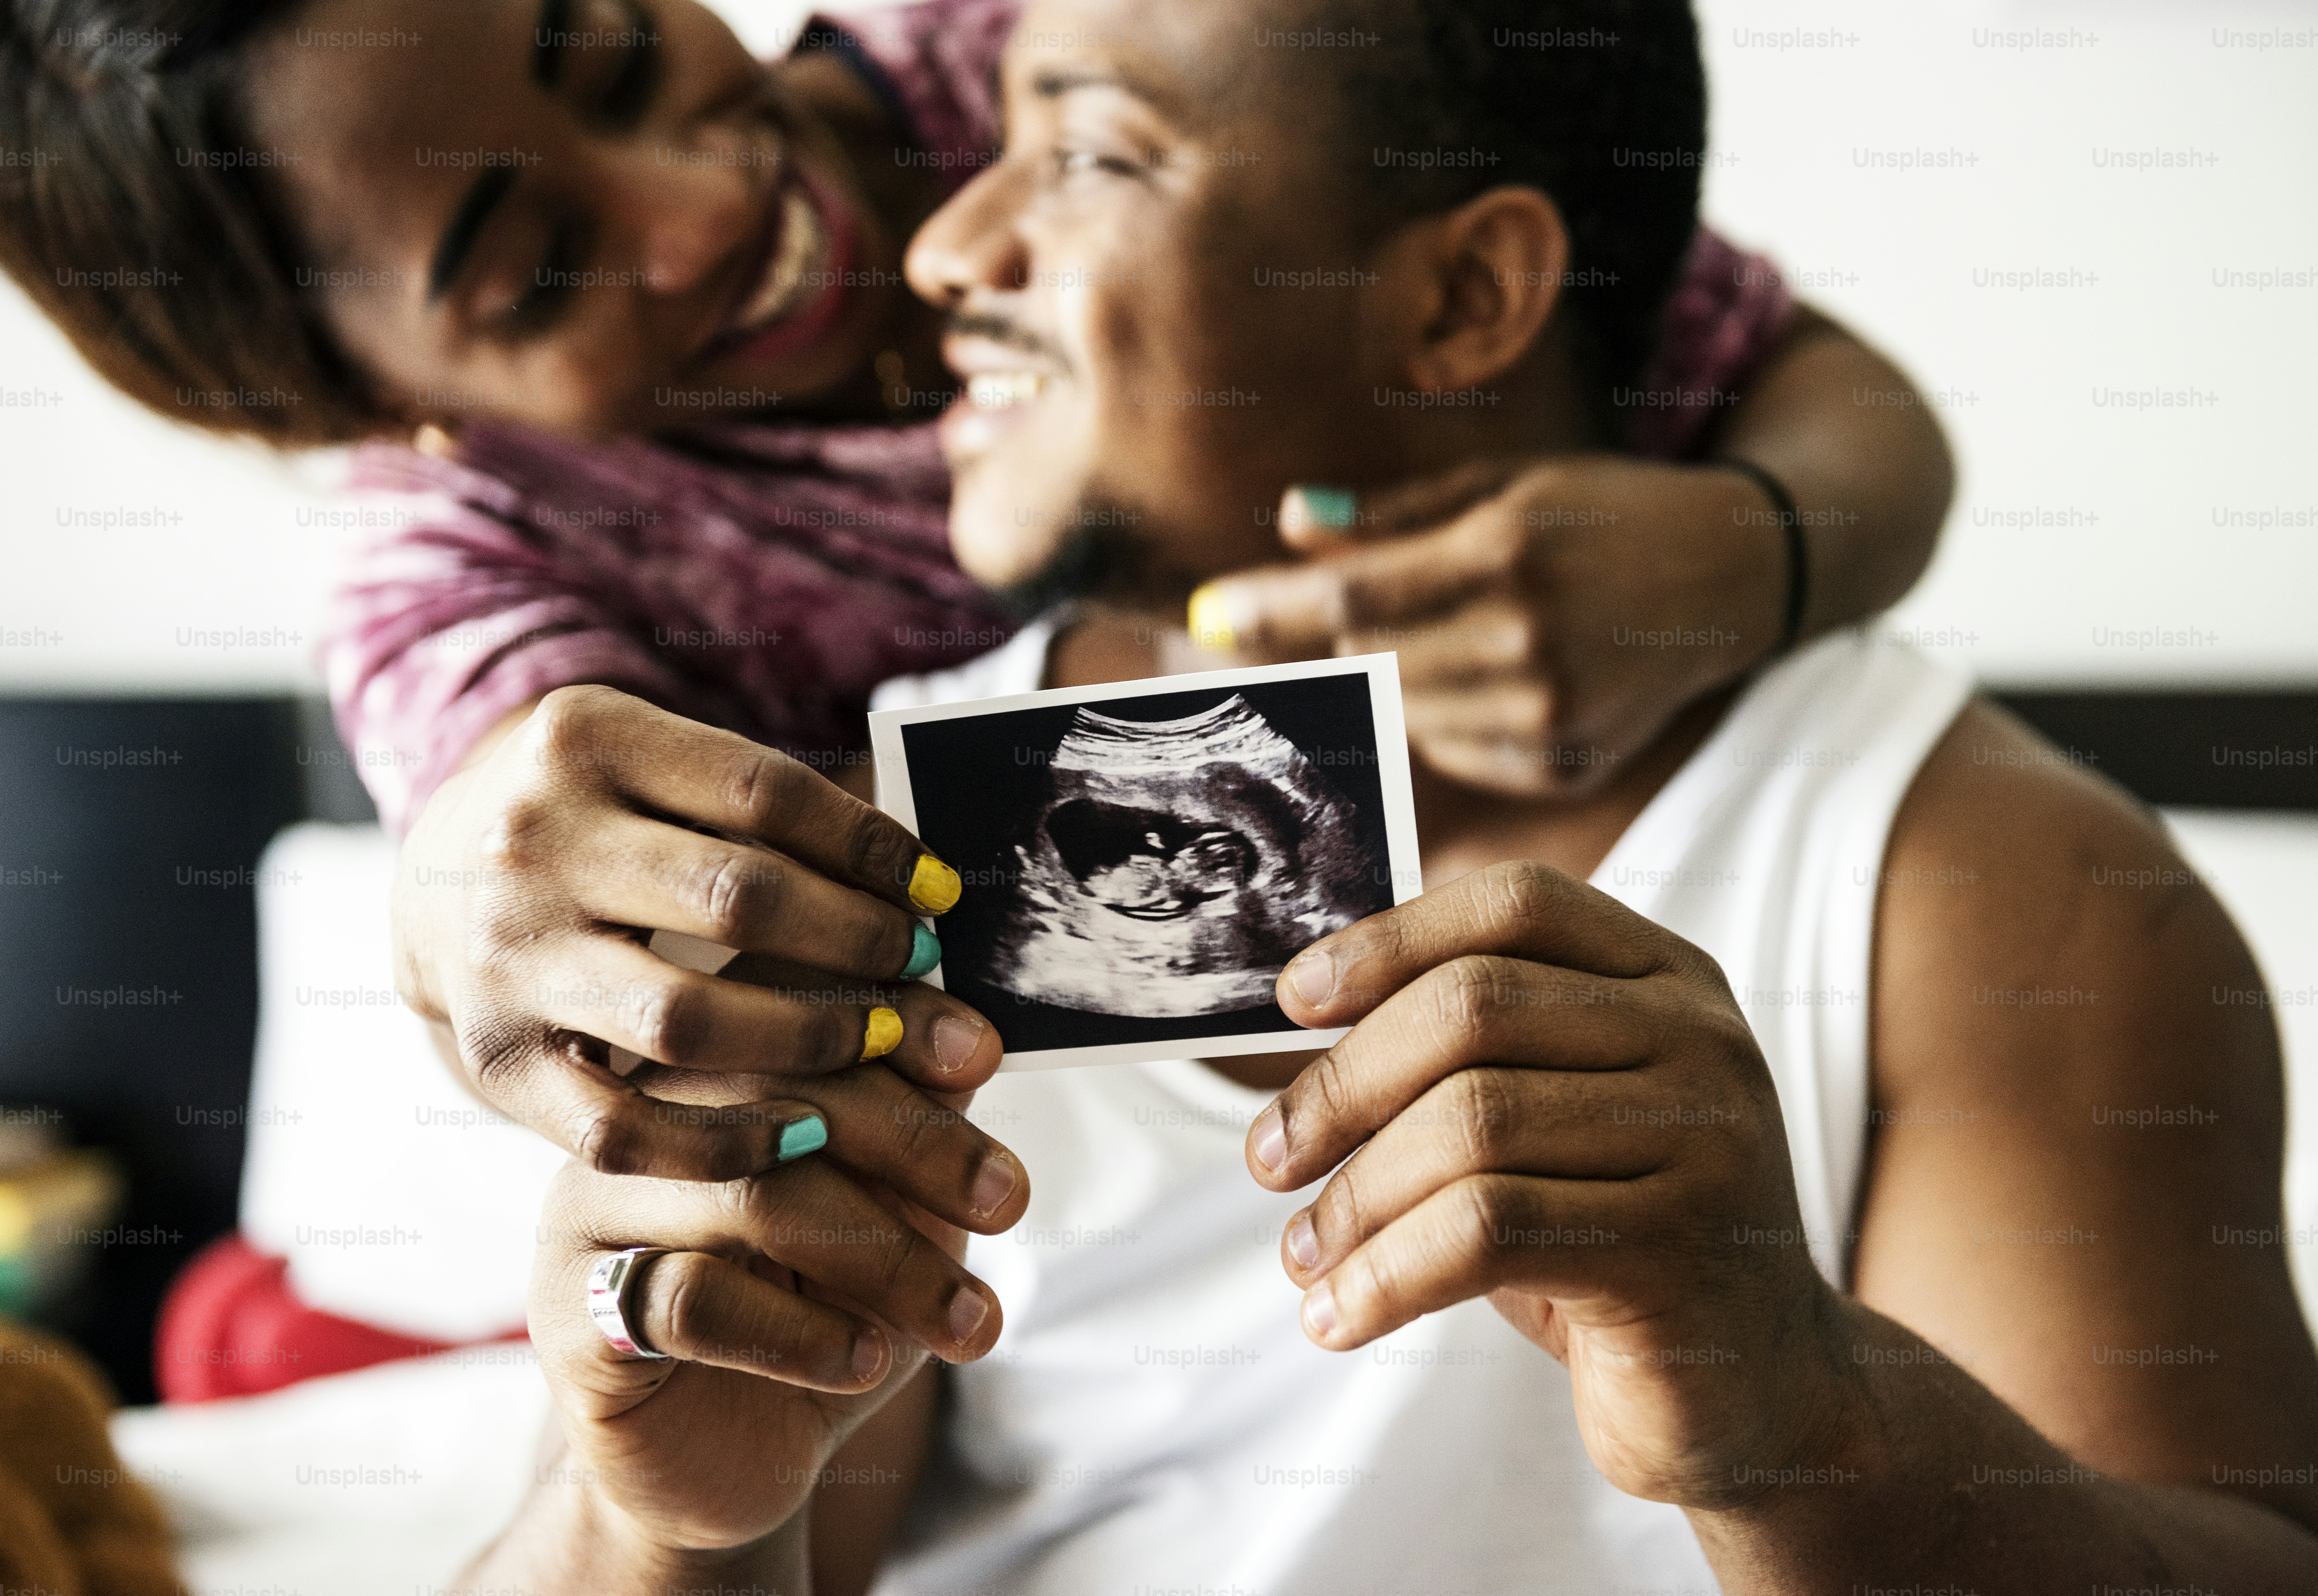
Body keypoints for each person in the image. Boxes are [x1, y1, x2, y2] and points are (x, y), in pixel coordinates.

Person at [464, 0, 2318, 1592]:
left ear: (1463, 298)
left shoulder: (1985, 882)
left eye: (1091, 156)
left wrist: (1807, 1419)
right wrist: (661, 1524)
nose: (950, 250)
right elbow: (728, 1508)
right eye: (990, 139)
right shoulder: (829, 863)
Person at [0, 0, 1955, 1202]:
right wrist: (455, 910)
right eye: (536, 277)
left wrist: (1750, 549)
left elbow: (1802, 373)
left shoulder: (1042, 43)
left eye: (605, 53)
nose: (697, 207)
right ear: (386, 408)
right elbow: (521, 818)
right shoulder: (472, 570)